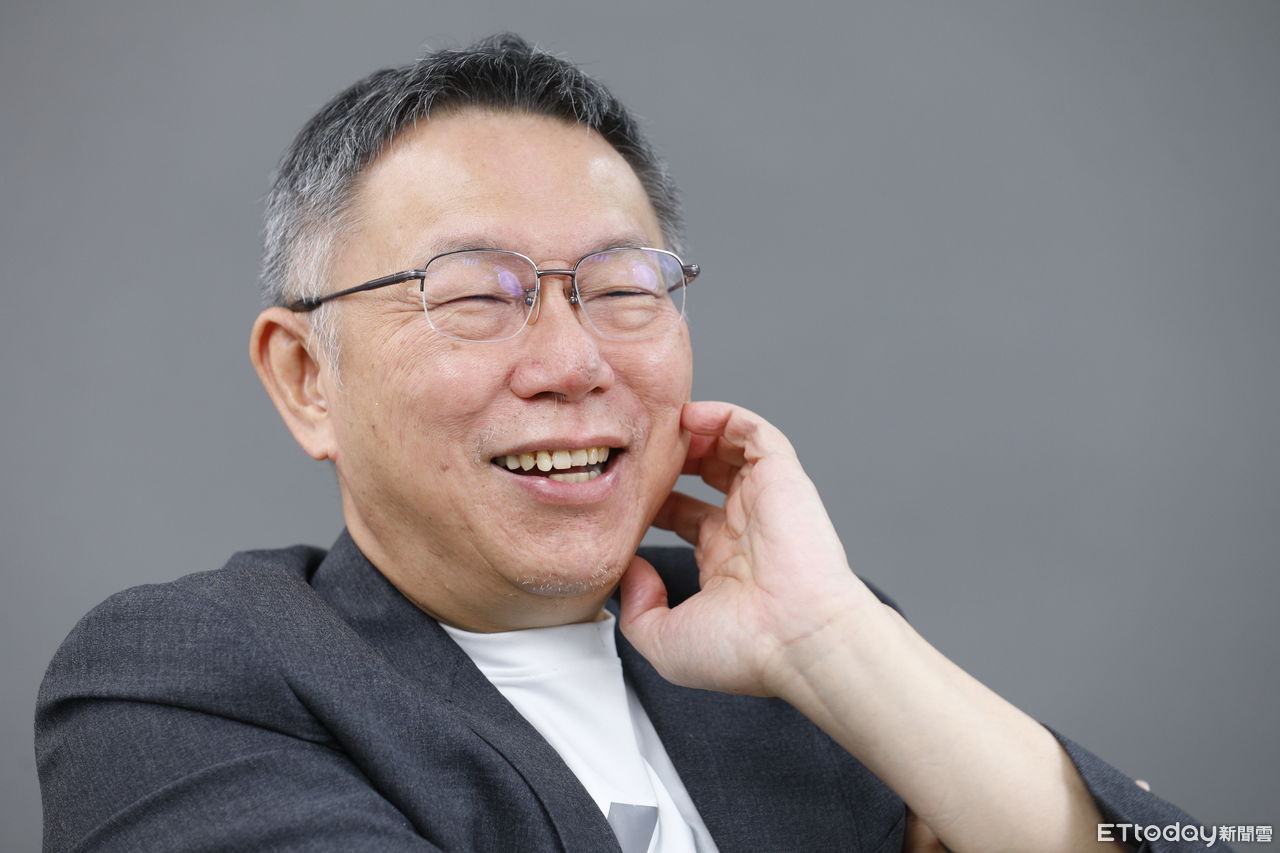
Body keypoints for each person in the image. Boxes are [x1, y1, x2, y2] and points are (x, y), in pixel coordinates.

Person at [35, 34, 1223, 853]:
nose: (572, 360)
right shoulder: (186, 680)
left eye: (620, 287)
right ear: (306, 379)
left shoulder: (798, 663)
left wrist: (828, 642)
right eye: (476, 293)